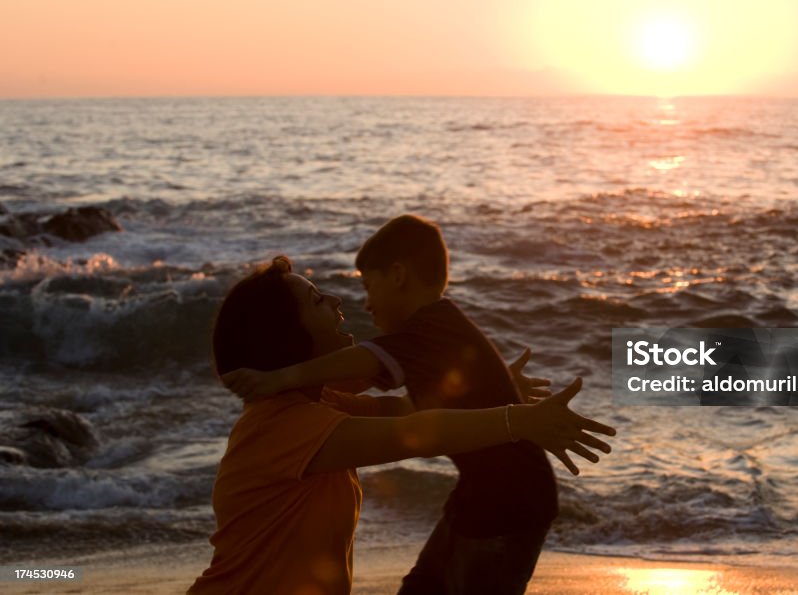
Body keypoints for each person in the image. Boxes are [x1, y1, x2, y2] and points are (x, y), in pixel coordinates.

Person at [189, 255, 614, 595]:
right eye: (317, 300)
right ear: (286, 334)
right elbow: (417, 435)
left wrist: (491, 387)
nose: (338, 302)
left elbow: (405, 411)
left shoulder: (319, 406)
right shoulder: (284, 427)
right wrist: (517, 420)